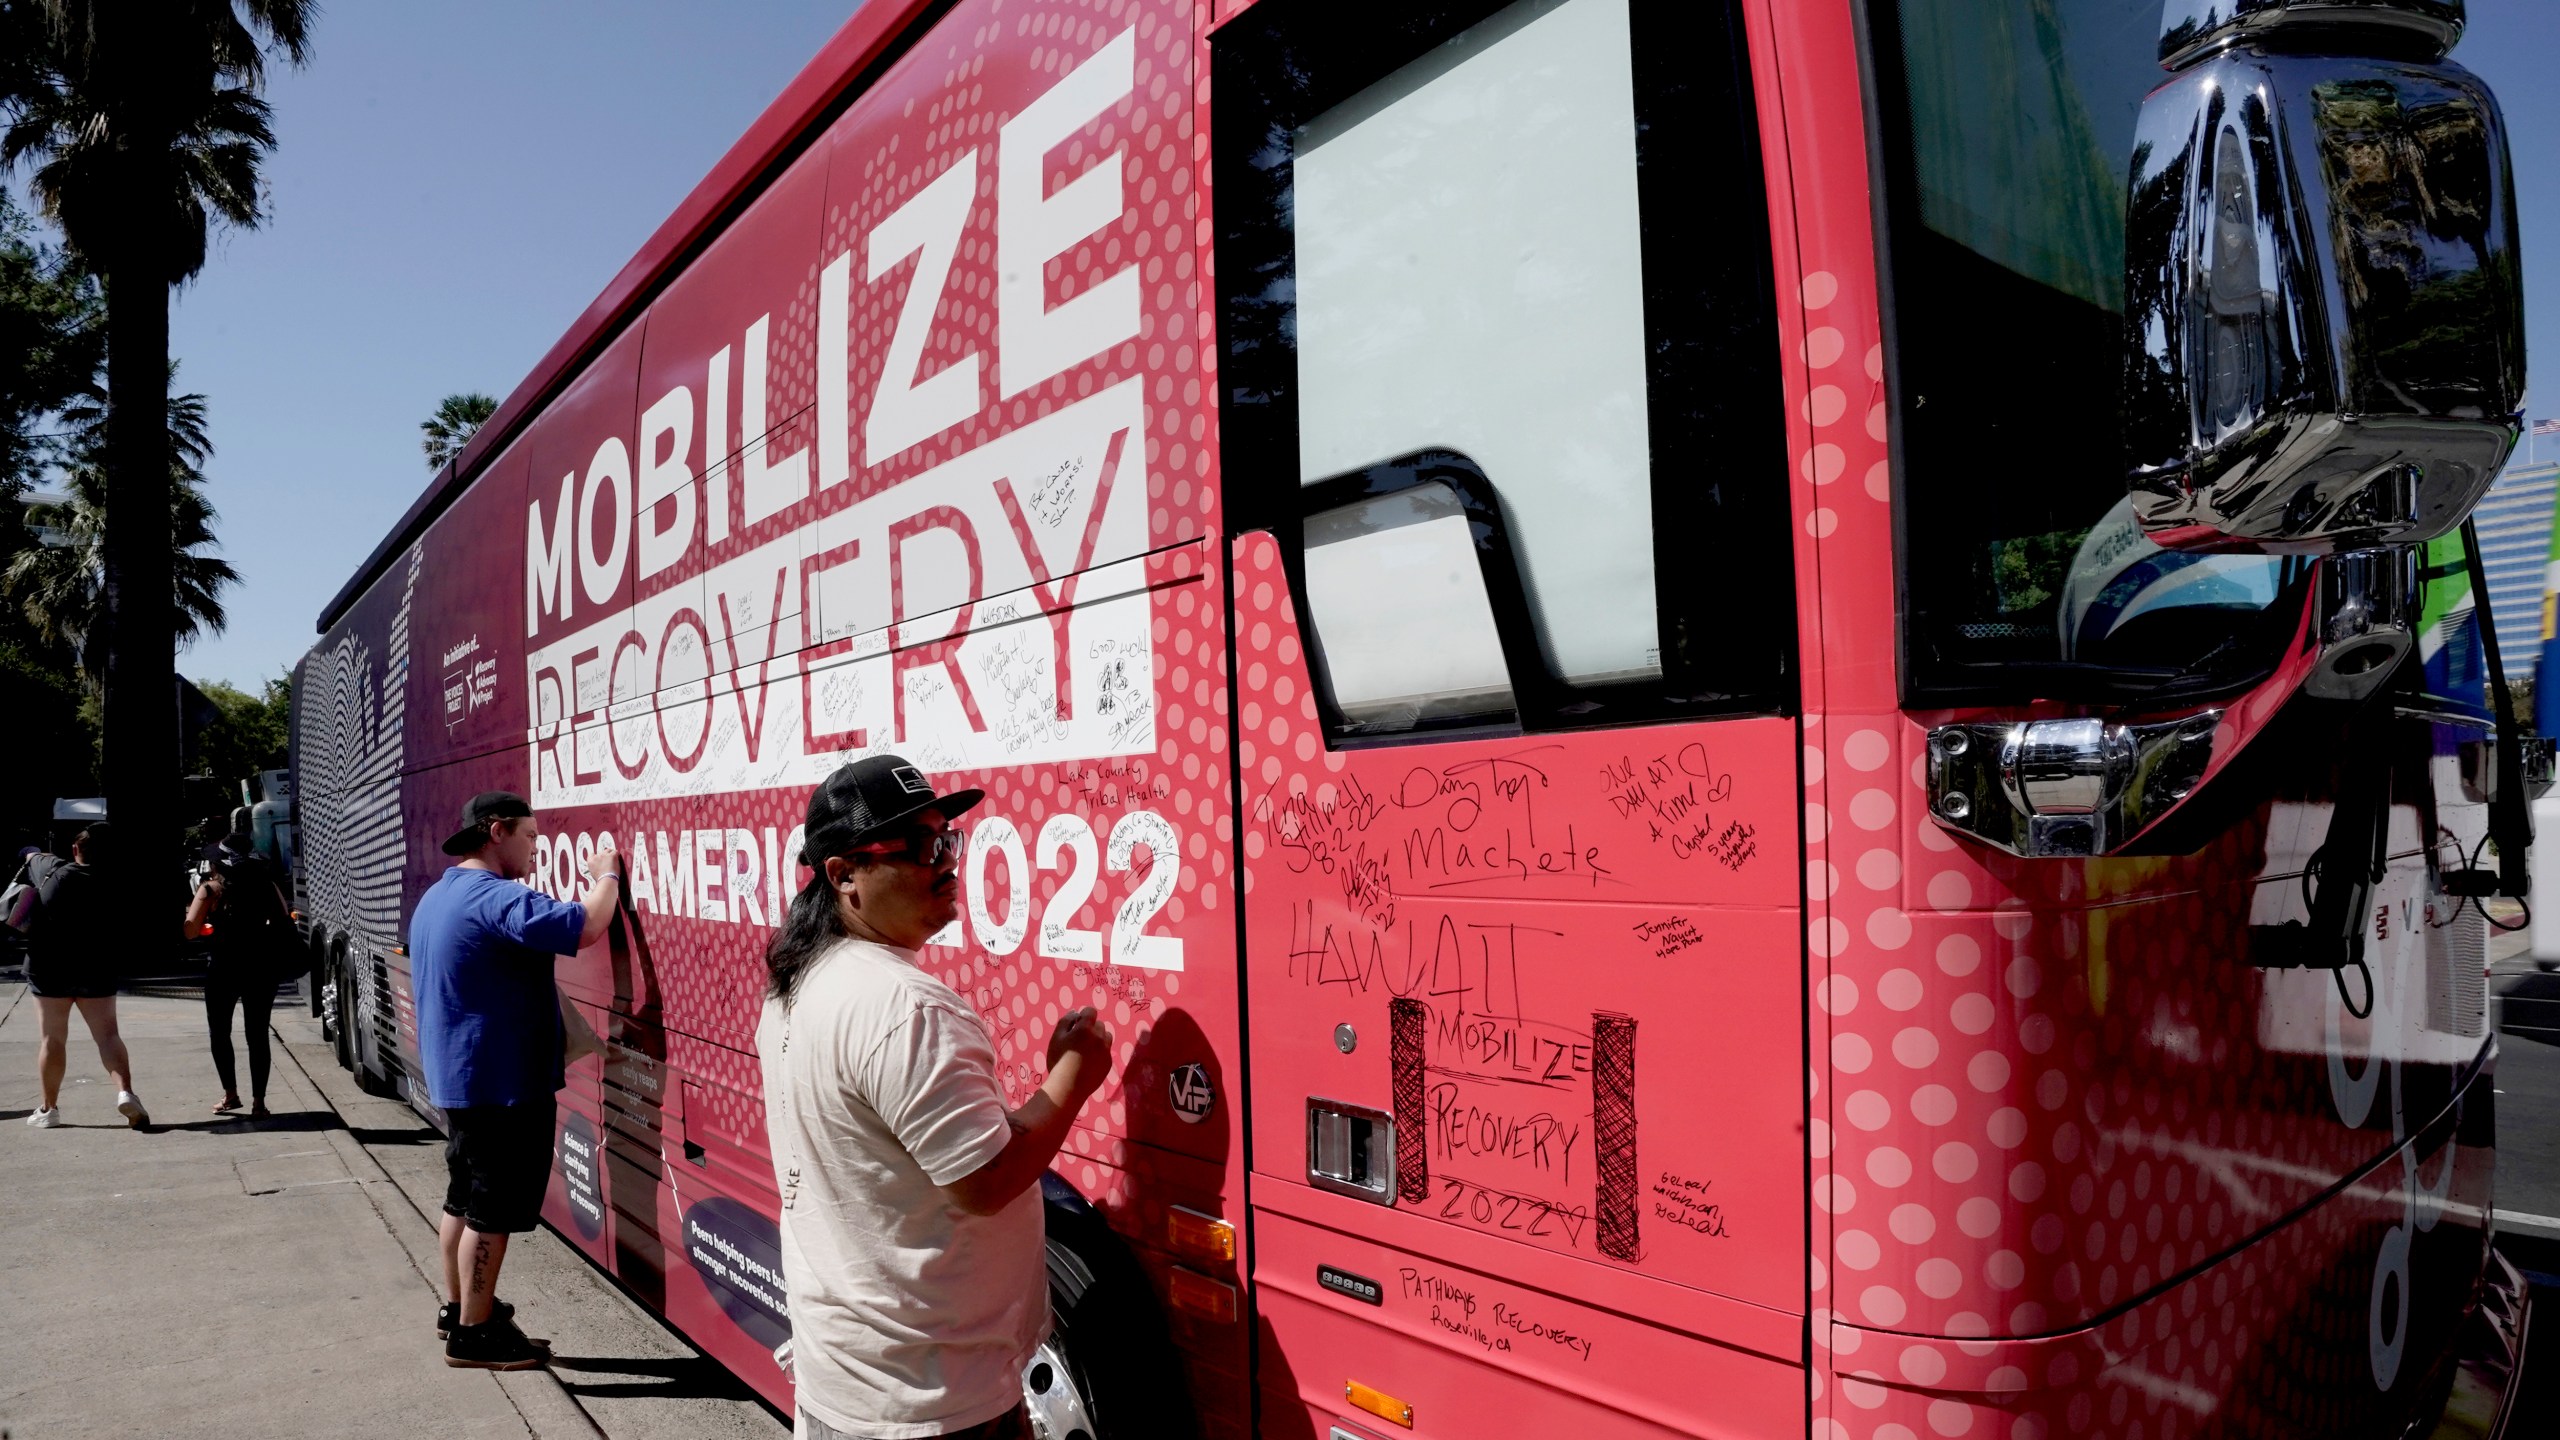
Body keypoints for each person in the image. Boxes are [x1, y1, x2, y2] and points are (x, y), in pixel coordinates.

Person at [758, 755, 1115, 1440]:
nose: (945, 861)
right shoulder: (903, 1007)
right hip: (929, 1402)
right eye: (917, 847)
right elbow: (986, 1181)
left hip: (852, 1377)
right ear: (844, 875)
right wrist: (1071, 1079)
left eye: (945, 839)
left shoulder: (799, 984)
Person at [409, 791, 616, 1370]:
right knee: (492, 1212)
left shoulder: (439, 893)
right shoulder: (495, 897)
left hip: (464, 1080)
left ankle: (460, 1310)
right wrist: (607, 876)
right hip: (501, 1085)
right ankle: (476, 1337)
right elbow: (585, 927)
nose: (534, 847)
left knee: (464, 1198)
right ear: (497, 831)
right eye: (529, 836)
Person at [23, 824, 147, 1129]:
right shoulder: (119, 881)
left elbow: (31, 856)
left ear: (76, 850)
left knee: (52, 1038)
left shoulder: (53, 871)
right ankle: (125, 1093)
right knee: (107, 1036)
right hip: (97, 967)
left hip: (48, 968)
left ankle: (49, 1109)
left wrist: (29, 852)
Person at [184, 808, 295, 1117]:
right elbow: (284, 922)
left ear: (218, 861)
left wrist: (202, 921)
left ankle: (231, 1095)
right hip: (262, 966)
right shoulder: (266, 884)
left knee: (220, 1032)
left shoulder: (211, 889)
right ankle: (260, 1103)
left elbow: (192, 930)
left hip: (223, 968)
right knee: (258, 1034)